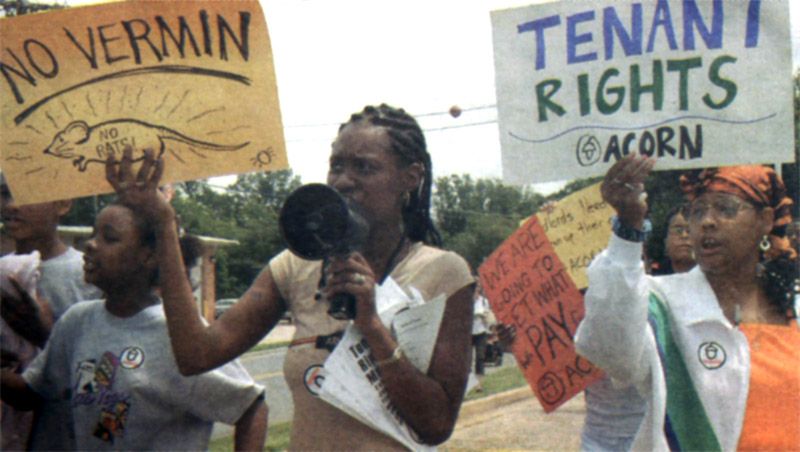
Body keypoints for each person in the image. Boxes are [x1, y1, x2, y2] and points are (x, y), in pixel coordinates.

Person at [112, 104, 475, 450]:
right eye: (336, 166)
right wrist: (163, 223)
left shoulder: (442, 273)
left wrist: (373, 326)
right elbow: (197, 355)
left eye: (364, 168)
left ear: (409, 179)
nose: (343, 181)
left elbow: (436, 426)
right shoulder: (295, 267)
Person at [0, 186, 268, 450]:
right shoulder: (77, 322)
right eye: (93, 234)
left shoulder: (177, 334)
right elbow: (30, 392)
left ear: (149, 256)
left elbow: (251, 406)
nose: (91, 245)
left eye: (110, 238)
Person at [575, 156, 799, 451]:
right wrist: (628, 229)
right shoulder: (662, 304)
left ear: (765, 220)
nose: (707, 221)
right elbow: (610, 350)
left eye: (725, 208)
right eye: (698, 211)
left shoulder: (791, 308)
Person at [581, 204, 696, 451]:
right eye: (678, 229)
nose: (685, 236)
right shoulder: (591, 307)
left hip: (649, 435)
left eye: (689, 229)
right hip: (597, 439)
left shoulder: (659, 303)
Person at [0, 175, 102, 450]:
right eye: (5, 194)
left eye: (26, 193)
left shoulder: (90, 276)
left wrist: (45, 335)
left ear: (63, 203)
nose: (11, 205)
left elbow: (102, 376)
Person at [471, 281, 492, 384]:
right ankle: (470, 382)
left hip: (481, 331)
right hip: (470, 333)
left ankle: (480, 382)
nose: (476, 291)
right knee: (469, 359)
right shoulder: (467, 303)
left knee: (480, 357)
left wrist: (483, 316)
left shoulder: (484, 301)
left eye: (477, 289)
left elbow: (488, 315)